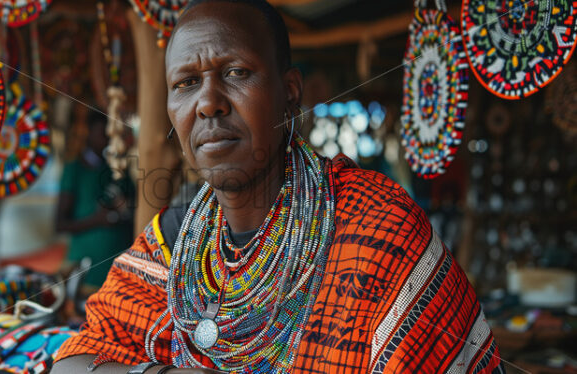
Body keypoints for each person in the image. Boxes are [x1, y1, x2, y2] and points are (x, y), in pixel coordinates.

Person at [52, 0, 504, 372]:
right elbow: (74, 359)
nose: (208, 103)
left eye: (235, 73)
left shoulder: (376, 230)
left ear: (290, 92)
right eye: (186, 83)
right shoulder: (175, 236)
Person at [55, 111, 134, 291]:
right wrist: (97, 220)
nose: (107, 139)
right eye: (102, 133)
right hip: (88, 273)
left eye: (110, 134)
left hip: (121, 271)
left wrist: (124, 210)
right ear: (89, 133)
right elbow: (60, 224)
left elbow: (134, 208)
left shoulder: (117, 170)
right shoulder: (75, 170)